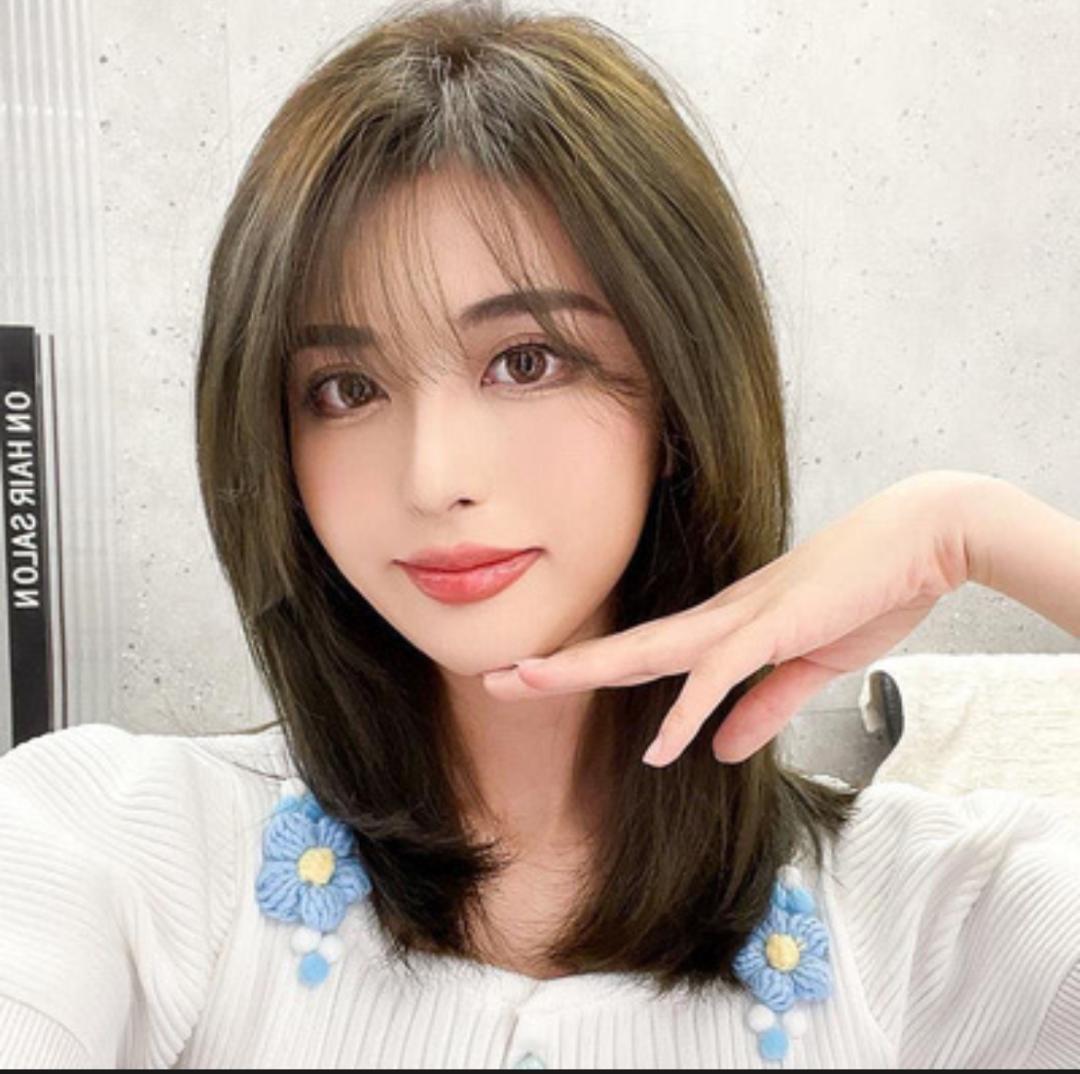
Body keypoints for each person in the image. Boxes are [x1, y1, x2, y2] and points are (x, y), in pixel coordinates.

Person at [1, 0, 1078, 1067]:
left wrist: (973, 530)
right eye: (346, 387)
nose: (434, 478)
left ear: (679, 399)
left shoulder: (923, 923)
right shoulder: (125, 850)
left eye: (525, 361)